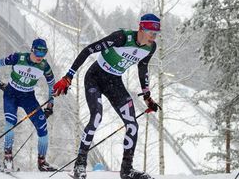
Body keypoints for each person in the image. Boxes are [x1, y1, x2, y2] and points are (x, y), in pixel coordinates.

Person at [53, 14, 161, 179]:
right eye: (150, 32)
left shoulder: (150, 48)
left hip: (114, 82)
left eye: (156, 33)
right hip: (95, 77)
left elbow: (142, 68)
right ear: (141, 28)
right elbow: (89, 49)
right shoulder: (121, 37)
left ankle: (126, 170)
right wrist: (69, 76)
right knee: (96, 117)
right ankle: (79, 166)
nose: (153, 36)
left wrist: (147, 96)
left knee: (132, 124)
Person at [0, 38, 56, 172]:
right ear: (32, 50)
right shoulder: (18, 57)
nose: (40, 56)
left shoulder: (44, 66)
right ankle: (8, 159)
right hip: (11, 95)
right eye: (38, 52)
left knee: (43, 128)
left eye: (44, 53)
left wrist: (50, 105)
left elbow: (52, 85)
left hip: (28, 97)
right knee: (10, 123)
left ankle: (42, 162)